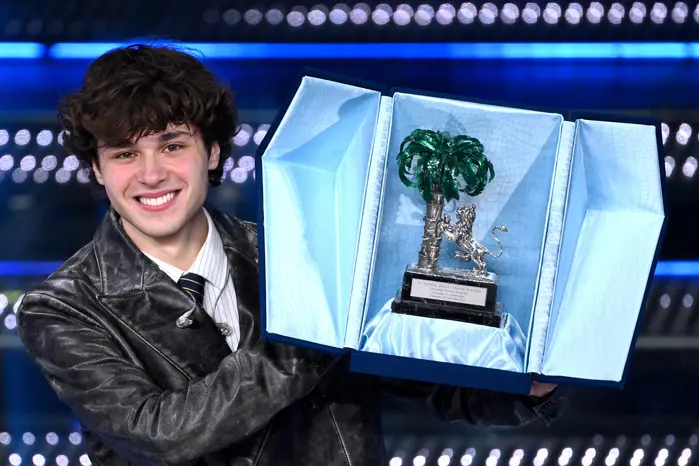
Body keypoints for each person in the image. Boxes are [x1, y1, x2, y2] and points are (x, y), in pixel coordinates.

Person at [16, 44, 568, 466]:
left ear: (211, 151)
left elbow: (418, 371)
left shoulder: (300, 252)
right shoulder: (63, 306)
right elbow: (160, 431)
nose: (152, 174)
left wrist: (524, 384)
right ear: (96, 169)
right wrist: (312, 329)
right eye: (125, 153)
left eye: (172, 144)